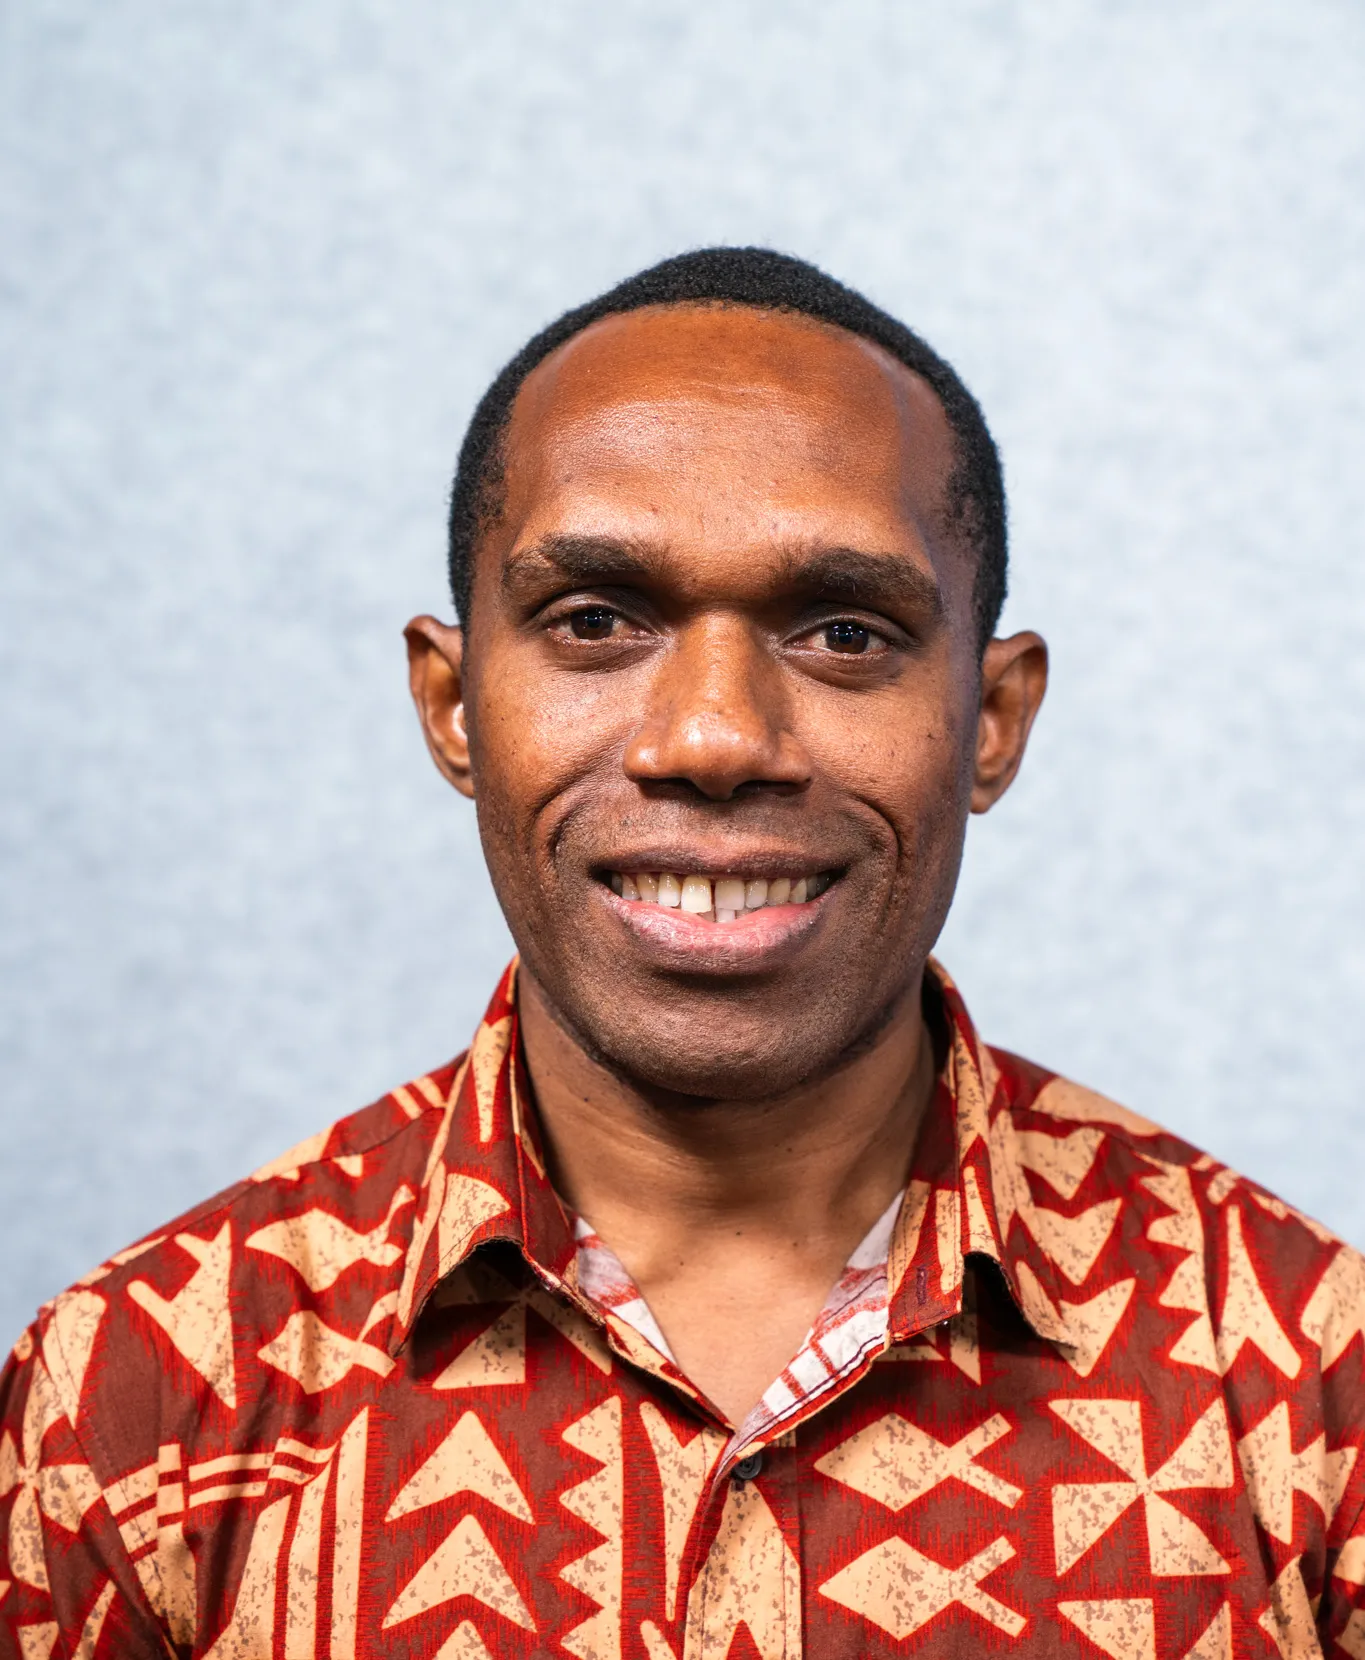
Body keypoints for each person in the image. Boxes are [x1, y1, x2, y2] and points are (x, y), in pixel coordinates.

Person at [2, 247, 1362, 1660]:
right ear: (453, 703)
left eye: (845, 632)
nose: (712, 738)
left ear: (995, 719)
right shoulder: (135, 1405)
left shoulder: (1308, 1387)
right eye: (596, 622)